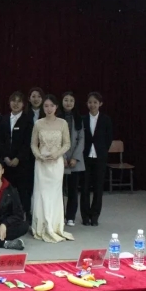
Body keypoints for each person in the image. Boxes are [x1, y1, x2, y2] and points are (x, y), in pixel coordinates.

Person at [31, 94, 73, 243]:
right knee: (41, 193)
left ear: (56, 107)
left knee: (54, 194)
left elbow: (67, 143)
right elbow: (33, 144)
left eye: (52, 106)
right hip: (41, 163)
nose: (49, 109)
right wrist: (39, 156)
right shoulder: (38, 123)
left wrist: (57, 154)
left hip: (56, 163)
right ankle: (41, 225)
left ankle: (55, 226)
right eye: (46, 106)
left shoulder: (62, 123)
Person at [0, 91, 35, 224]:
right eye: (13, 101)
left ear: (23, 104)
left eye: (19, 101)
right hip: (6, 162)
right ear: (9, 103)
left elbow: (28, 142)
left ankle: (25, 214)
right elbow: (0, 140)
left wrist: (18, 158)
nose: (16, 104)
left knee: (23, 190)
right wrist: (5, 157)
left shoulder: (28, 119)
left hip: (22, 162)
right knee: (7, 189)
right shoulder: (4, 118)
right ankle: (8, 214)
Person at [81, 92, 113, 227]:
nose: (92, 105)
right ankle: (85, 216)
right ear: (87, 104)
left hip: (100, 157)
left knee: (98, 188)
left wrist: (103, 151)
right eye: (90, 102)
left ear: (100, 104)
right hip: (85, 157)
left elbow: (109, 138)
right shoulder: (83, 119)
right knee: (84, 188)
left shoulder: (106, 119)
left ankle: (95, 216)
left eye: (95, 102)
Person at [58, 91, 85, 227]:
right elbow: (56, 139)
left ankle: (70, 217)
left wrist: (75, 157)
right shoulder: (57, 117)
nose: (68, 103)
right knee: (59, 190)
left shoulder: (78, 118)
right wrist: (62, 157)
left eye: (71, 100)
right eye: (66, 100)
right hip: (60, 159)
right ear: (61, 102)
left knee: (73, 190)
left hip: (75, 160)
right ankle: (60, 215)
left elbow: (81, 139)